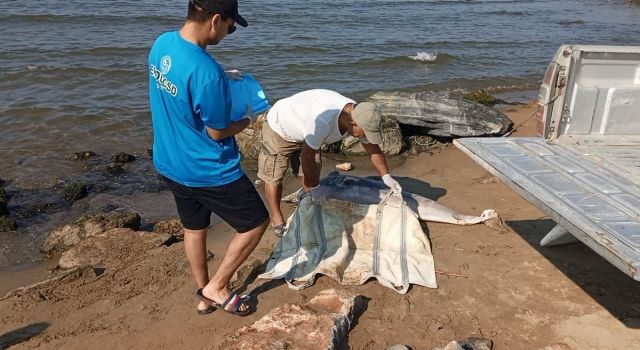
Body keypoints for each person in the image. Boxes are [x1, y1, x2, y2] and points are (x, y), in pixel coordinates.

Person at [148, 0, 269, 316]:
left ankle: (204, 295)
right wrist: (249, 118)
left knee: (194, 227)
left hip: (169, 162)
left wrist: (220, 81)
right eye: (231, 25)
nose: (230, 31)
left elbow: (181, 89)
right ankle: (219, 285)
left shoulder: (162, 44)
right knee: (256, 222)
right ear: (216, 20)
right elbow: (218, 132)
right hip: (208, 170)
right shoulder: (207, 72)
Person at [257, 89, 403, 237]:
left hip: (306, 128)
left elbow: (372, 148)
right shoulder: (323, 121)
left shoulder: (361, 115)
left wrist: (386, 176)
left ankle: (308, 200)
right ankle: (276, 218)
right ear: (353, 122)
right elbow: (306, 157)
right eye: (365, 133)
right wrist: (314, 186)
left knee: (313, 168)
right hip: (280, 128)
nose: (365, 136)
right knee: (274, 175)